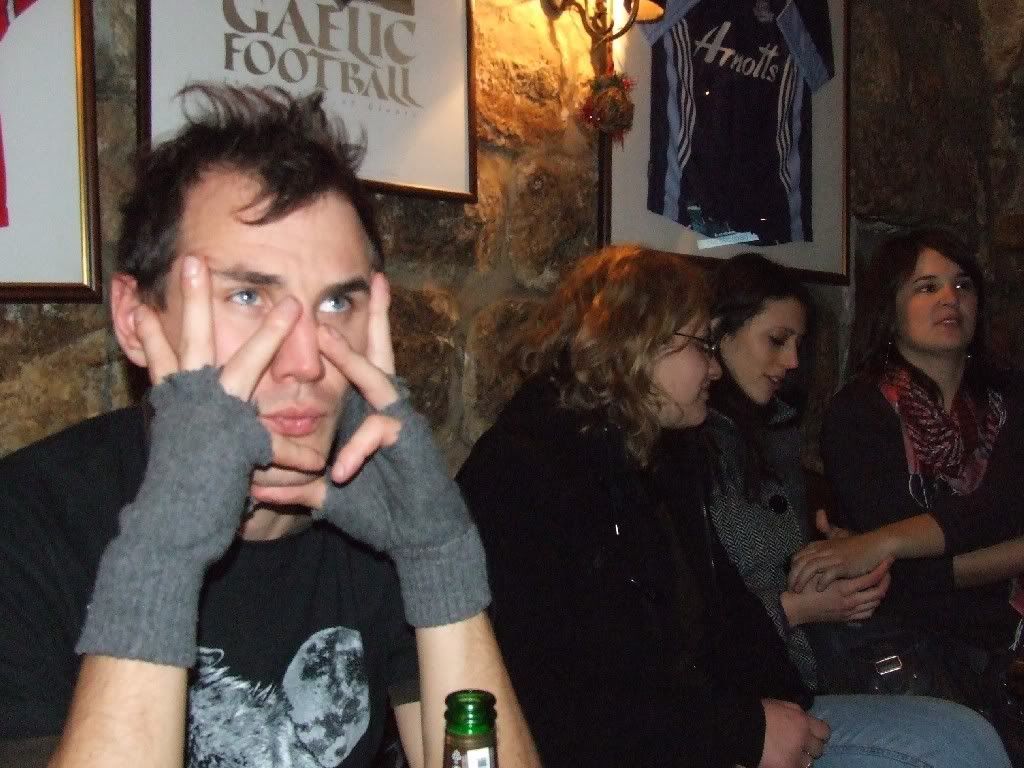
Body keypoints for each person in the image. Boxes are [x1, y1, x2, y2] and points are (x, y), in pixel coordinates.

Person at [0, 84, 539, 768]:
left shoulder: (380, 510)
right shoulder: (27, 523)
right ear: (135, 321)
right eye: (249, 295)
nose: (306, 362)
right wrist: (165, 549)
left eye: (336, 303)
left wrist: (439, 562)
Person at [455, 243, 1011, 768]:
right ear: (638, 340)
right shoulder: (527, 473)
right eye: (701, 345)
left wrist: (778, 710)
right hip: (666, 740)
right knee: (952, 748)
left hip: (719, 719)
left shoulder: (655, 455)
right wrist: (747, 730)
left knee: (963, 736)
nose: (715, 367)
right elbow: (567, 699)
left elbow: (724, 618)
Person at [789, 229, 1024, 718]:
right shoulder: (858, 412)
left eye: (962, 285)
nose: (949, 298)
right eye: (926, 286)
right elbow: (900, 576)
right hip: (917, 648)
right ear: (890, 309)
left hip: (1010, 634)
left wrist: (881, 544)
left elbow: (999, 508)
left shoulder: (1010, 401)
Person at [704, 253, 891, 690]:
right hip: (750, 689)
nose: (792, 361)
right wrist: (804, 607)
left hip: (803, 673)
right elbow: (700, 620)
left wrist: (833, 562)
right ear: (718, 334)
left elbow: (781, 563)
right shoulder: (694, 444)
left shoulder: (774, 430)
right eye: (776, 340)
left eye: (797, 345)